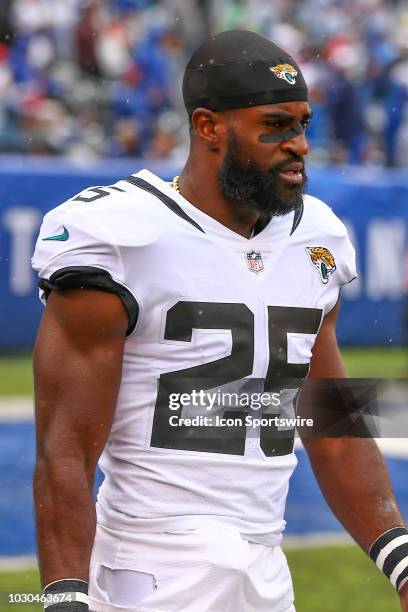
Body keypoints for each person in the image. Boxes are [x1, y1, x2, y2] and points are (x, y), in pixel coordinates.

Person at [32, 30, 408, 612]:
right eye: (275, 125)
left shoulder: (317, 236)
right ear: (209, 127)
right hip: (147, 573)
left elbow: (332, 422)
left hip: (265, 570)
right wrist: (59, 599)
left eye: (303, 124)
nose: (299, 144)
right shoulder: (122, 234)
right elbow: (66, 450)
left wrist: (401, 560)